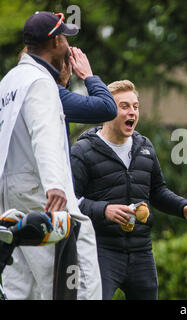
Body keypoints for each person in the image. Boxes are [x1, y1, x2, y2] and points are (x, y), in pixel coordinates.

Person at [70, 79, 187, 300]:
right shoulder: (83, 150)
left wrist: (183, 208)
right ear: (106, 108)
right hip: (100, 251)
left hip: (141, 252)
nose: (132, 112)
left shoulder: (144, 146)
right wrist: (104, 210)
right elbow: (70, 201)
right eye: (124, 106)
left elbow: (157, 191)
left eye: (135, 106)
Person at [0, 11, 102, 300]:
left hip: (9, 195)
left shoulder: (8, 82)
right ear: (56, 41)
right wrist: (55, 185)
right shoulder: (39, 82)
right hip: (41, 190)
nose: (68, 46)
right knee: (77, 270)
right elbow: (43, 132)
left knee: (22, 284)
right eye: (65, 38)